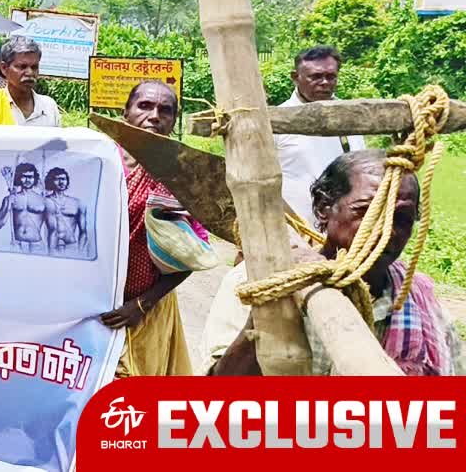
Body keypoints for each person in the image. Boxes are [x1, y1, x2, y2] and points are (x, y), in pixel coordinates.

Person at [206, 149, 464, 376]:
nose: (388, 231)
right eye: (367, 211)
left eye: (402, 218)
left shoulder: (418, 299)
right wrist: (269, 312)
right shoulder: (253, 282)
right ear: (323, 208)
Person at [101, 79, 203, 377]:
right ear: (126, 113)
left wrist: (140, 306)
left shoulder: (179, 176)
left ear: (173, 121)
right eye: (144, 106)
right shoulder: (100, 160)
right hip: (93, 308)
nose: (154, 116)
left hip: (147, 309)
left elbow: (191, 254)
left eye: (165, 110)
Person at [275, 45, 366, 227]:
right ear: (295, 77)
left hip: (344, 227)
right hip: (293, 229)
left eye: (331, 77)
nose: (324, 82)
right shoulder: (277, 120)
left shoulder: (350, 116)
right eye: (315, 76)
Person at [0, 37, 61, 126]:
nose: (30, 73)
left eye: (34, 67)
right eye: (22, 67)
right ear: (4, 68)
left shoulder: (49, 108)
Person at [0, 162, 49, 252]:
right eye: (24, 177)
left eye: (30, 177)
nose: (27, 180)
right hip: (17, 244)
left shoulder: (43, 200)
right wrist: (8, 206)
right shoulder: (10, 198)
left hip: (37, 245)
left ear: (35, 178)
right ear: (19, 178)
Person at [45, 167, 88, 256]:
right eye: (57, 179)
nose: (61, 182)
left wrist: (80, 252)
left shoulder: (77, 203)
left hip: (71, 247)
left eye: (63, 179)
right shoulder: (45, 201)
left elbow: (83, 231)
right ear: (51, 181)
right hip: (52, 248)